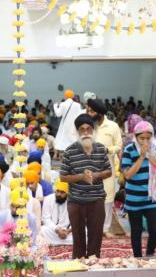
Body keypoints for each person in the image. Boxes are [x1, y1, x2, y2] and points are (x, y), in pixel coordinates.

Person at [60, 114, 112, 259]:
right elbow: (63, 177)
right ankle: (78, 265)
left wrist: (95, 175)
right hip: (76, 201)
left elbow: (109, 171)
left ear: (93, 130)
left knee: (96, 236)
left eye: (88, 129)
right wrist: (81, 177)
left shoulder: (101, 149)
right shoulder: (70, 151)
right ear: (77, 132)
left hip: (96, 199)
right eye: (82, 129)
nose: (85, 132)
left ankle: (94, 265)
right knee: (78, 237)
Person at [121, 121, 156, 257]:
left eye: (148, 138)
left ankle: (149, 254)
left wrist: (150, 156)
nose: (145, 141)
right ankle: (137, 258)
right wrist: (142, 156)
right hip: (134, 198)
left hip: (152, 197)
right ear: (136, 137)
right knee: (136, 231)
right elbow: (128, 175)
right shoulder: (129, 150)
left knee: (154, 230)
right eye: (142, 138)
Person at [87, 97, 123, 238]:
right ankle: (92, 227)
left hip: (107, 168)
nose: (88, 113)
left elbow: (119, 145)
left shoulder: (113, 126)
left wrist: (107, 150)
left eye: (91, 111)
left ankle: (105, 229)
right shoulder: (88, 125)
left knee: (107, 198)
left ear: (100, 113)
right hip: (89, 167)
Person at [40, 180, 72, 245]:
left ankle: (54, 242)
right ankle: (66, 242)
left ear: (67, 193)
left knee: (85, 231)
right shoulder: (48, 199)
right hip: (53, 230)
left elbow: (78, 220)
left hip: (68, 231)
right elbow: (46, 219)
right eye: (57, 191)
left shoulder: (73, 201)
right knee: (42, 230)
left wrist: (68, 231)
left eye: (62, 192)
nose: (59, 194)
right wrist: (57, 230)